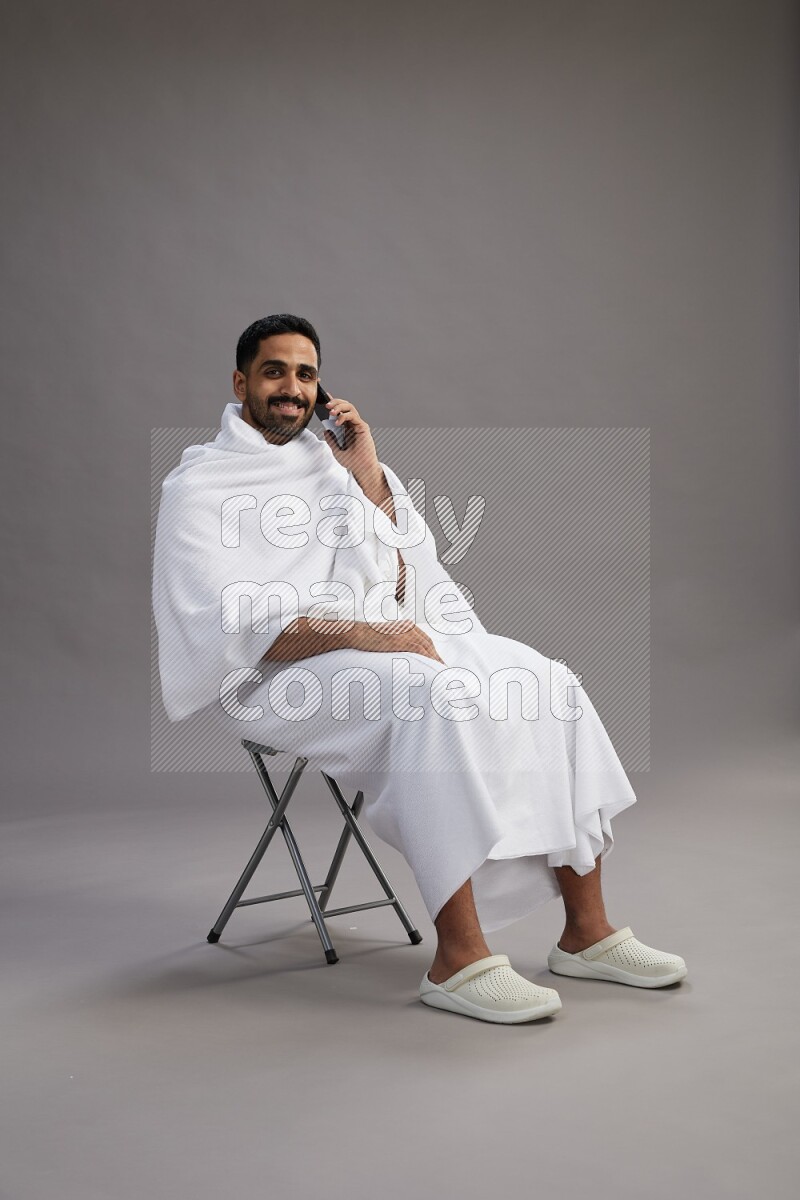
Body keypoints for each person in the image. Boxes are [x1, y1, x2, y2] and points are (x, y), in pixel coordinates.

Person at [152, 313, 687, 1025]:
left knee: (546, 681)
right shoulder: (201, 486)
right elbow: (226, 623)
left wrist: (368, 473)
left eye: (306, 374)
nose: (291, 388)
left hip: (376, 639)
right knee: (427, 694)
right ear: (240, 380)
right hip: (274, 673)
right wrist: (365, 633)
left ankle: (584, 933)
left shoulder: (336, 466)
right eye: (274, 371)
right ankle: (457, 958)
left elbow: (405, 585)